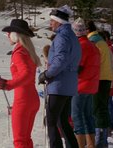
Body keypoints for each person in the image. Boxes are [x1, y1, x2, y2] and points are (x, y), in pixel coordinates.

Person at [0, 19, 41, 148]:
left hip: (23, 100)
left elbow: (26, 74)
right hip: (32, 98)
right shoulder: (27, 51)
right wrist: (5, 82)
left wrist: (7, 85)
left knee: (19, 141)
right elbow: (25, 75)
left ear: (15, 34)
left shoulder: (18, 53)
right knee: (25, 139)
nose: (7, 35)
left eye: (9, 32)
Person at [38, 5, 80, 148]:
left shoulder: (62, 37)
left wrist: (46, 74)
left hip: (60, 85)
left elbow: (60, 60)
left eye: (52, 21)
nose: (50, 24)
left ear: (59, 22)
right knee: (62, 121)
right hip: (68, 84)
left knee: (51, 121)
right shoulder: (72, 36)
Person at [71, 17, 100, 148]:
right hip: (91, 85)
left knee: (77, 117)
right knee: (88, 116)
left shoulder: (81, 46)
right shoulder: (92, 45)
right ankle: (91, 144)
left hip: (81, 85)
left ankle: (80, 145)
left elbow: (78, 68)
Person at [86, 21, 113, 147]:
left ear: (87, 30)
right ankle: (103, 141)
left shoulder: (93, 41)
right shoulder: (100, 40)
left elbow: (92, 62)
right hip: (106, 78)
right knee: (101, 109)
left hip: (99, 79)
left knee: (96, 110)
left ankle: (100, 142)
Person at [99, 30, 113, 137]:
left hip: (108, 80)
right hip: (110, 80)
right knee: (108, 103)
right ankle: (111, 124)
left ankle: (110, 125)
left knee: (107, 104)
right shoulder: (110, 48)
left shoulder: (109, 49)